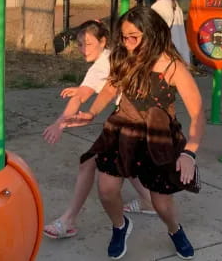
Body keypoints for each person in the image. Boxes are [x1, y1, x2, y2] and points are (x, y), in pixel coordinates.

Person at [65, 6, 205, 259]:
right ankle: (120, 226)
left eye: (134, 37)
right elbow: (110, 88)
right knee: (106, 190)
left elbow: (198, 113)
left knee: (161, 204)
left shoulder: (172, 67)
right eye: (124, 37)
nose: (127, 44)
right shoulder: (124, 58)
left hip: (158, 137)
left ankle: (175, 230)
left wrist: (189, 153)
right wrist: (92, 113)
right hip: (122, 129)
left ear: (152, 34)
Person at [42, 20, 155, 240]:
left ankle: (68, 221)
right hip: (140, 119)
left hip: (133, 120)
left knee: (88, 163)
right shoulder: (111, 56)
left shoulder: (104, 62)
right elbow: (90, 90)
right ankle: (148, 201)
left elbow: (81, 96)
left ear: (103, 41)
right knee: (123, 162)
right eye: (80, 44)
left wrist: (60, 123)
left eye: (89, 44)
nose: (84, 49)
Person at [146, 0, 192, 66]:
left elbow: (153, 37)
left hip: (166, 61)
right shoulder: (174, 4)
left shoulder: (158, 7)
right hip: (179, 60)